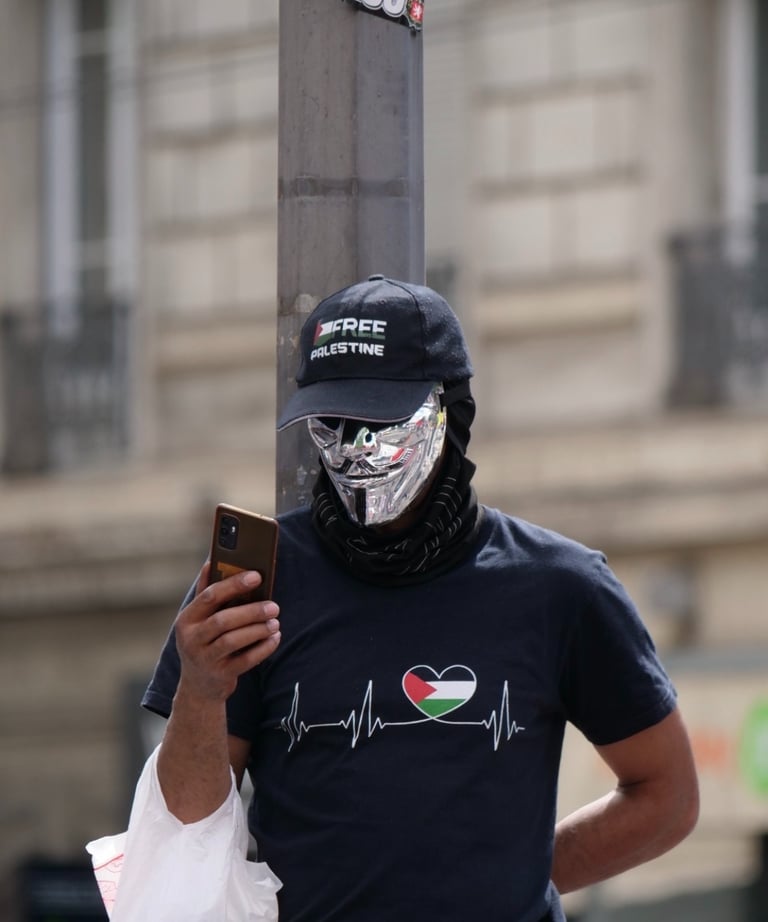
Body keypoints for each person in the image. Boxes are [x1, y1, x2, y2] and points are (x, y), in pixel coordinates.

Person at [143, 275, 699, 922]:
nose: (354, 448)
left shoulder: (559, 586)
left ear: (451, 411)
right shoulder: (259, 583)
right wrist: (201, 691)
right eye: (332, 423)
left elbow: (668, 796)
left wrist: (522, 878)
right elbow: (187, 824)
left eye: (379, 420)